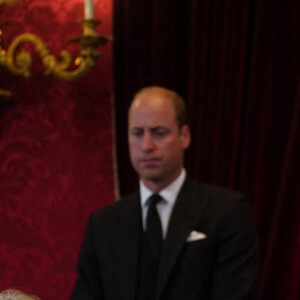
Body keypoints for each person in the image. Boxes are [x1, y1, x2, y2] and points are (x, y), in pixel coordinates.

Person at [71, 86, 259, 300]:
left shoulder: (227, 212)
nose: (147, 145)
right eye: (137, 133)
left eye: (159, 133)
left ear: (184, 136)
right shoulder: (103, 225)